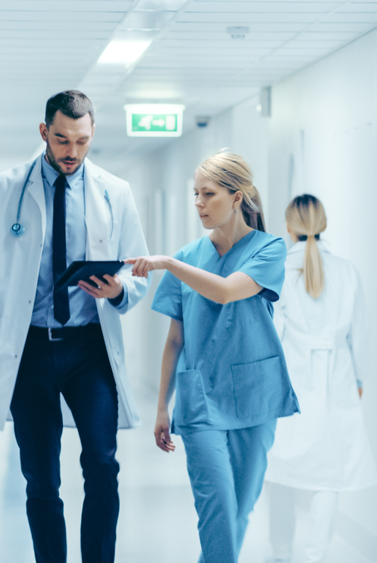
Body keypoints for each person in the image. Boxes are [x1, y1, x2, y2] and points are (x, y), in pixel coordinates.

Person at [0, 90, 150, 563]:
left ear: (92, 134)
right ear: (44, 132)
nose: (71, 152)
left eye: (81, 141)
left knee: (102, 465)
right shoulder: (4, 190)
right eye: (62, 140)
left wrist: (119, 290)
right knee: (41, 478)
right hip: (30, 351)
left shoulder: (114, 192)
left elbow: (136, 269)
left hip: (89, 348)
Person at [126, 152, 300, 563]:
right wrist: (161, 408)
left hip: (256, 397)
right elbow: (174, 341)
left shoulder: (270, 249)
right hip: (200, 397)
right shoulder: (188, 257)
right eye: (195, 194)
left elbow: (224, 290)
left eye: (208, 194)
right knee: (217, 511)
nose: (199, 203)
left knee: (239, 510)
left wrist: (167, 262)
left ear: (237, 197)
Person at [264, 194, 377, 563]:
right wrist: (356, 381)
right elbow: (357, 336)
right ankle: (316, 556)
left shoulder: (278, 269)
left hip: (289, 385)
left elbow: (271, 335)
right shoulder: (347, 271)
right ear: (323, 223)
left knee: (281, 470)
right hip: (337, 381)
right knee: (329, 475)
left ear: (289, 226)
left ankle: (281, 555)